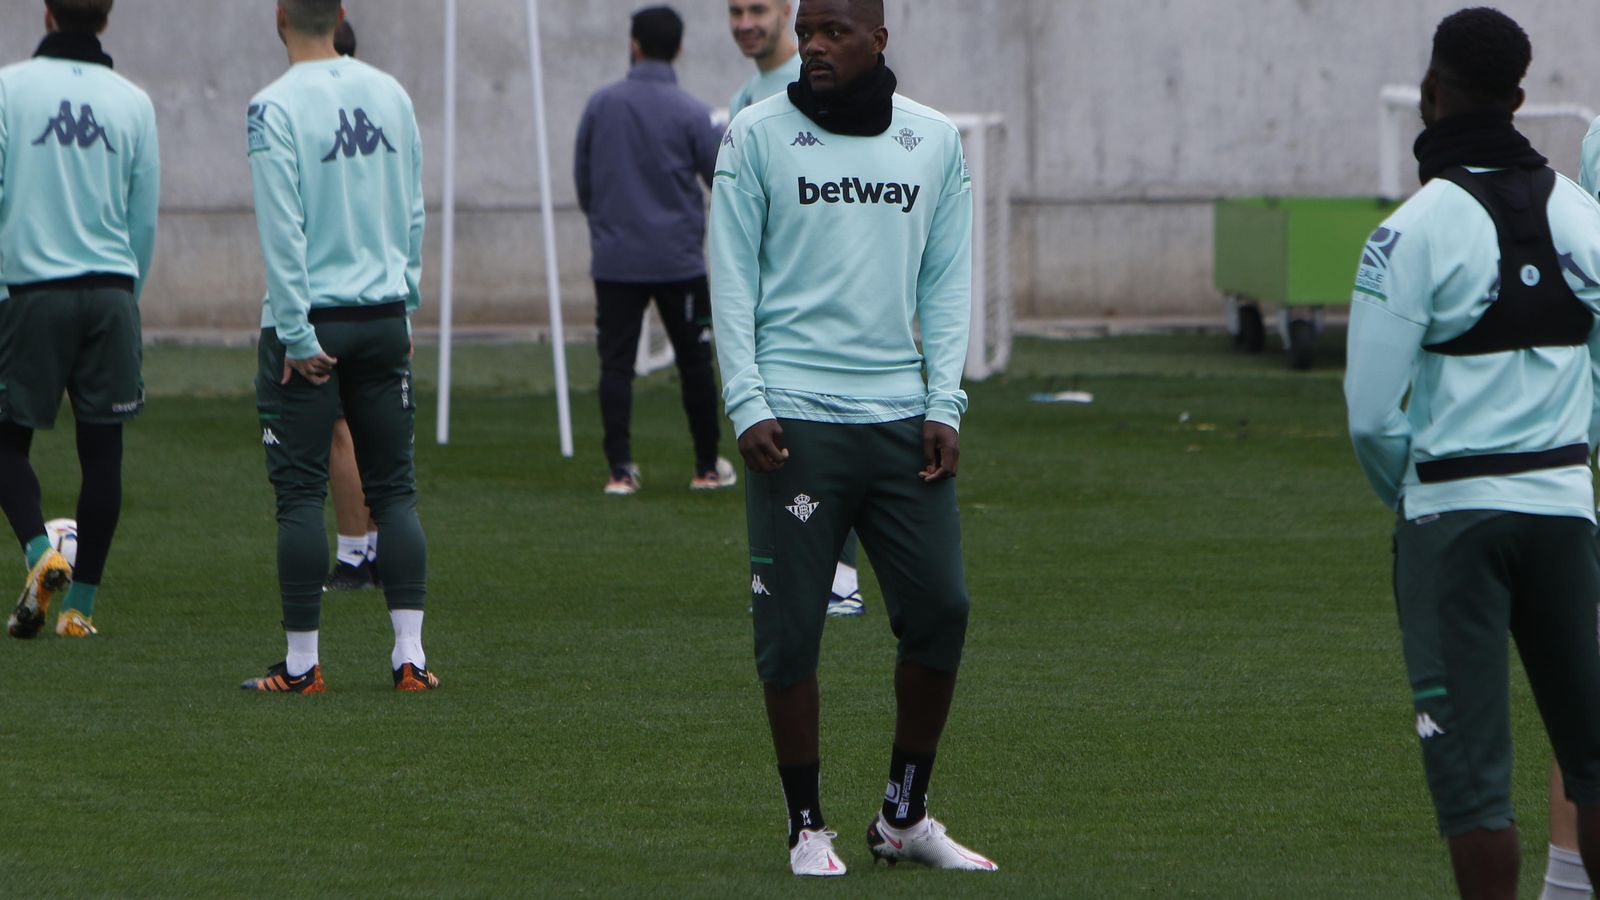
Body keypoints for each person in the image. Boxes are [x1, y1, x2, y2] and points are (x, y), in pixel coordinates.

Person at [710, 0, 996, 877]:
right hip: (793, 420)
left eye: (837, 31)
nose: (816, 45)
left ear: (880, 39)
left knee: (942, 611)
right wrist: (747, 399)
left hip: (901, 421)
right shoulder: (755, 135)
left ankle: (902, 819)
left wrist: (943, 404)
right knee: (794, 634)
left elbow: (949, 281)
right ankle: (807, 827)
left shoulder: (934, 141)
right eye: (811, 29)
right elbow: (728, 269)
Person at [1345, 8, 1600, 898]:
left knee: (1474, 785)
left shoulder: (1408, 232)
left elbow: (1373, 417)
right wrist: (1569, 457)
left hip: (1452, 519)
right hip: (1568, 515)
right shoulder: (1583, 215)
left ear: (1432, 90)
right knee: (1593, 755)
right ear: (1521, 97)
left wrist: (1413, 497)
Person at [242, 0, 435, 693]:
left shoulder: (272, 107)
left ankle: (302, 666)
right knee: (398, 492)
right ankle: (409, 658)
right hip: (383, 315)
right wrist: (404, 306)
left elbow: (282, 229)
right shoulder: (391, 91)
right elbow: (412, 210)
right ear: (343, 12)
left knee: (299, 498)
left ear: (279, 17)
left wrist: (295, 333)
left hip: (312, 321)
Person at [0, 0, 159, 640]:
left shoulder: (8, 88)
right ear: (107, 17)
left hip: (32, 292)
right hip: (111, 293)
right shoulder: (134, 102)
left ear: (46, 14)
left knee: (7, 440)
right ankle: (80, 610)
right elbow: (143, 215)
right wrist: (128, 292)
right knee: (103, 452)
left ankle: (41, 554)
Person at [726, 0, 862, 618]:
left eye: (757, 8)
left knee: (839, 437)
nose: (745, 22)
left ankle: (840, 576)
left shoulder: (829, 82)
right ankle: (802, 576)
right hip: (772, 316)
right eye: (734, 11)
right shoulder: (745, 104)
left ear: (785, 11)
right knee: (786, 453)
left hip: (835, 318)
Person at [574, 6, 733, 497]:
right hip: (678, 263)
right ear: (679, 48)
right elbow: (720, 180)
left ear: (634, 44)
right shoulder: (693, 111)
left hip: (617, 260)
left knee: (616, 365)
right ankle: (706, 466)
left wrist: (608, 227)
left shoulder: (601, 105)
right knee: (694, 363)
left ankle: (620, 470)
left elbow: (584, 182)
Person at [325, 14, 381, 592]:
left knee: (338, 428)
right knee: (382, 430)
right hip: (385, 296)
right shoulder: (385, 107)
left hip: (333, 297)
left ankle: (353, 555)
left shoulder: (297, 110)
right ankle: (379, 547)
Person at [727, 0, 801, 118]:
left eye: (758, 11)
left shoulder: (813, 78)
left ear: (785, 13)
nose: (745, 25)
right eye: (736, 12)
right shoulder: (740, 100)